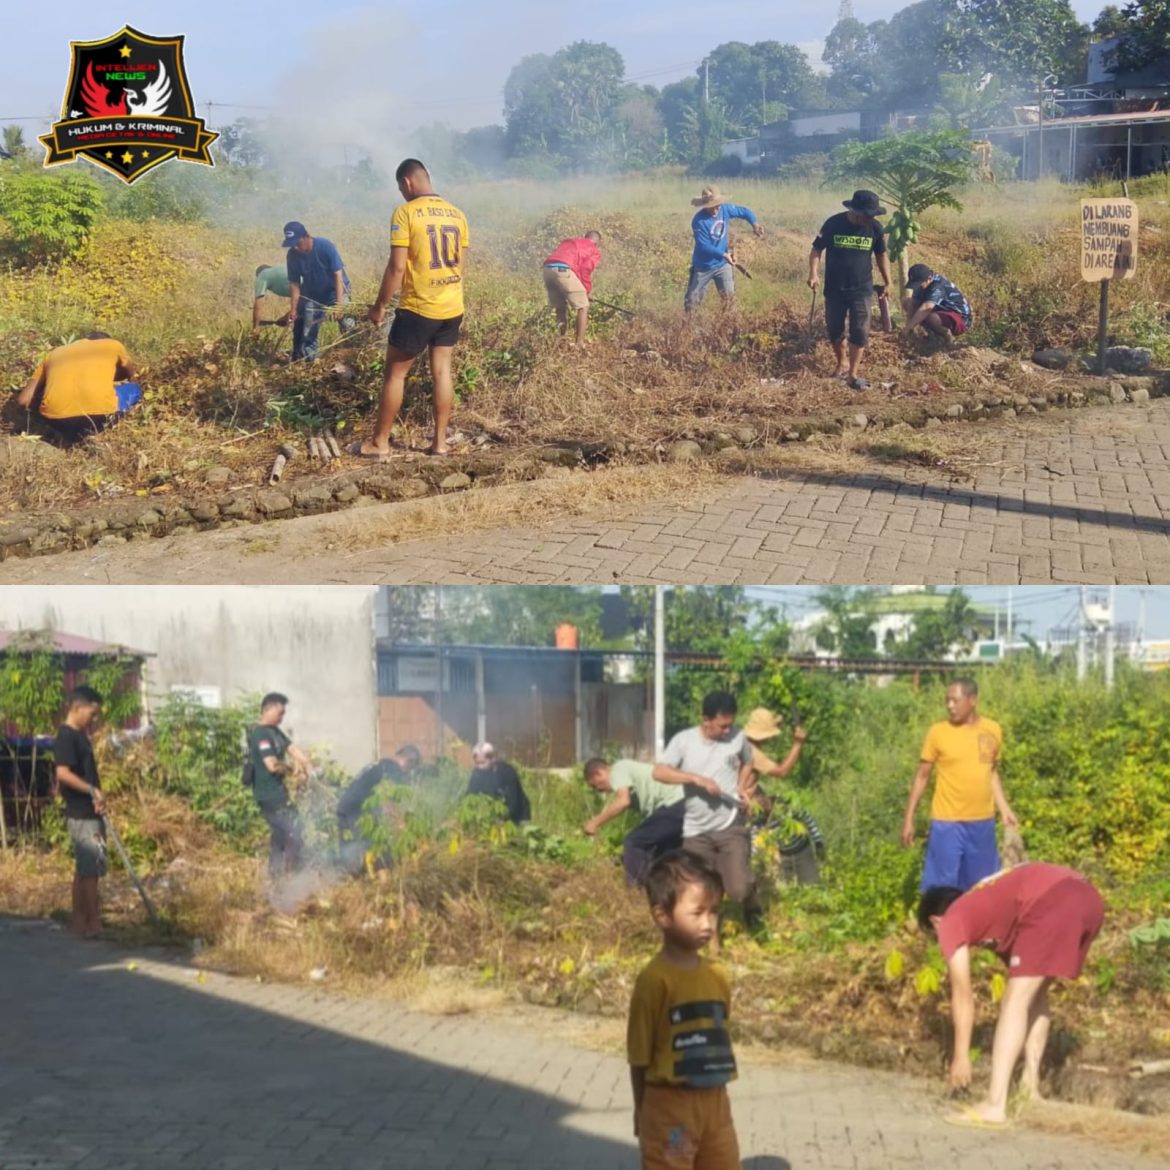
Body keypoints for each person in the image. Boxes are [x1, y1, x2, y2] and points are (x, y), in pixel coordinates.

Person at [919, 863, 1105, 1128]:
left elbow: (962, 993)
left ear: (935, 920)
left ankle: (995, 1105)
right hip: (1089, 900)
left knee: (1014, 1000)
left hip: (1054, 900)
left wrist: (960, 1055)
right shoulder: (990, 907)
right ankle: (1029, 1089)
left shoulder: (951, 919)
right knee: (1035, 994)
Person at [628, 851, 741, 1170]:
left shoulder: (718, 975)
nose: (709, 924)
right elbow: (639, 1056)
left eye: (714, 912)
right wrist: (641, 1108)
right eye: (698, 913)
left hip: (716, 1105)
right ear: (662, 915)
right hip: (669, 1107)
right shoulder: (654, 981)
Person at [360, 159, 470, 460]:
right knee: (442, 372)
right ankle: (439, 444)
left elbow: (396, 267)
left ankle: (380, 443)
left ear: (407, 183)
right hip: (451, 306)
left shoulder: (406, 213)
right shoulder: (457, 214)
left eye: (400, 188)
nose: (401, 193)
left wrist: (379, 305)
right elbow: (459, 266)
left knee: (395, 375)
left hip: (419, 308)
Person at [652, 691, 757, 951]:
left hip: (730, 822)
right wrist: (695, 779)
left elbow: (749, 761)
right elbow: (659, 771)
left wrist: (742, 787)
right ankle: (713, 943)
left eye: (730, 724)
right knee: (701, 889)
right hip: (696, 830)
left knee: (738, 889)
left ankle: (752, 901)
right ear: (706, 720)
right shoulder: (684, 741)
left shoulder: (738, 737)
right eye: (722, 725)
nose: (727, 730)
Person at [902, 678, 1018, 892]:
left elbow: (990, 771)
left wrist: (1004, 809)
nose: (950, 706)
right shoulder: (938, 732)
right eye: (947, 701)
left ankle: (975, 925)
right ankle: (939, 924)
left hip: (982, 822)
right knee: (941, 886)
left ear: (972, 700)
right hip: (947, 822)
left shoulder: (992, 729)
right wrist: (909, 817)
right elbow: (922, 776)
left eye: (955, 701)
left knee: (982, 886)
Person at [808, 189, 894, 391]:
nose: (868, 219)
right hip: (835, 287)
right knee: (834, 328)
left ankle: (853, 374)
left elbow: (882, 256)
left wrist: (888, 282)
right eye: (866, 215)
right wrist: (813, 273)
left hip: (862, 288)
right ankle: (841, 363)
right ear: (854, 211)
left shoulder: (875, 228)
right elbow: (816, 249)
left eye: (872, 215)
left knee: (860, 331)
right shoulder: (833, 224)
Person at [15, 332, 141, 446]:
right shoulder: (112, 345)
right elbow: (129, 374)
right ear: (105, 340)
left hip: (56, 421)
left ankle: (66, 436)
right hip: (99, 416)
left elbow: (22, 400)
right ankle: (93, 433)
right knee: (134, 388)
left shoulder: (54, 353)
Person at [741, 707, 821, 885]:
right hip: (745, 811)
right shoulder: (751, 751)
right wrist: (798, 744)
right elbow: (782, 771)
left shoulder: (737, 743)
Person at [53, 686, 107, 938]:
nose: (93, 719)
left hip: (89, 810)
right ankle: (93, 921)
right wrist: (91, 791)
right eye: (91, 714)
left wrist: (95, 795)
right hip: (81, 812)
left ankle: (79, 921)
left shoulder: (80, 735)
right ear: (77, 707)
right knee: (91, 870)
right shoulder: (66, 736)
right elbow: (63, 773)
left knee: (83, 869)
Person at [583, 757, 686, 887]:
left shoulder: (618, 769)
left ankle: (636, 892)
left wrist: (594, 823)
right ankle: (671, 891)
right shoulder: (630, 780)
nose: (598, 790)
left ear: (599, 772)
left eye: (595, 785)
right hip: (684, 804)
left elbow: (623, 801)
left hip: (675, 802)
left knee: (633, 842)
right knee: (663, 855)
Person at [244, 692, 310, 879]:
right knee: (293, 831)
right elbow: (272, 765)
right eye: (280, 713)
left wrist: (308, 765)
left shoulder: (275, 731)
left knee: (280, 835)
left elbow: (292, 748)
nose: (282, 717)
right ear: (268, 709)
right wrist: (292, 769)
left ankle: (275, 877)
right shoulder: (260, 734)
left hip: (279, 793)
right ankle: (290, 876)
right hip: (268, 795)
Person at [336, 745, 421, 874]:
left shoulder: (380, 764)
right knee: (379, 847)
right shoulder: (393, 769)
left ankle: (349, 881)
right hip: (358, 811)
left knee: (349, 851)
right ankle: (383, 884)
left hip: (343, 807)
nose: (408, 773)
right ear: (408, 761)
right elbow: (385, 800)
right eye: (411, 769)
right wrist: (400, 823)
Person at [684, 185, 764, 314]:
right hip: (703, 267)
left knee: (729, 300)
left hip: (722, 266)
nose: (716, 209)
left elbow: (744, 211)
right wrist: (723, 254)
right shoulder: (699, 221)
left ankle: (729, 328)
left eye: (718, 205)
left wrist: (755, 224)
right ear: (705, 206)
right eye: (712, 206)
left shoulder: (724, 209)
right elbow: (703, 246)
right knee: (691, 302)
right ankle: (687, 330)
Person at [282, 221, 351, 362]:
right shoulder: (292, 256)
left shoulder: (324, 246)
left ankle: (353, 356)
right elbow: (294, 284)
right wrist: (294, 309)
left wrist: (339, 305)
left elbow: (338, 275)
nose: (295, 247)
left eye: (297, 242)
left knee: (349, 325)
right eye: (292, 244)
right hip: (313, 297)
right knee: (308, 331)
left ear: (306, 236)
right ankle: (311, 362)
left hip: (336, 292)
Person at [543, 231, 602, 345]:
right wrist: (587, 291)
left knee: (560, 306)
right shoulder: (593, 249)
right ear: (597, 243)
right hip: (563, 270)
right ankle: (579, 344)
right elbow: (585, 270)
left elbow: (575, 269)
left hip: (547, 269)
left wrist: (582, 289)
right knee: (583, 306)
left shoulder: (570, 241)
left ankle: (562, 340)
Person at [901, 263, 972, 341]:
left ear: (929, 278)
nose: (917, 287)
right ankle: (930, 334)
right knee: (906, 301)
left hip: (959, 318)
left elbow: (926, 308)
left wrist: (908, 328)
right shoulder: (923, 283)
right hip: (939, 310)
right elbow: (914, 303)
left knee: (930, 317)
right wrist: (908, 326)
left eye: (919, 284)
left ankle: (947, 336)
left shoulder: (937, 286)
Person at [466, 742, 530, 824]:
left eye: (482, 762)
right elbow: (470, 794)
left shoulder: (507, 772)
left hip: (519, 815)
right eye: (477, 763)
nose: (479, 767)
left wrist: (503, 819)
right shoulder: (477, 773)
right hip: (494, 816)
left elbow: (513, 800)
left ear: (493, 759)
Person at [252, 262, 292, 336]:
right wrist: (286, 317)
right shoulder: (279, 271)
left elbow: (258, 305)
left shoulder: (263, 274)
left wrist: (256, 327)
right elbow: (302, 300)